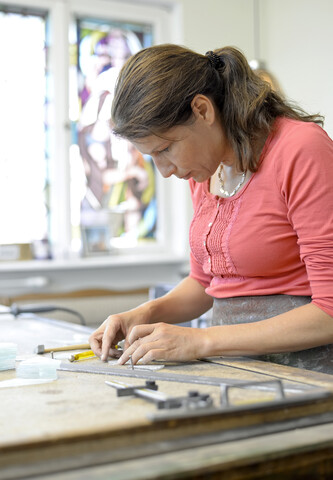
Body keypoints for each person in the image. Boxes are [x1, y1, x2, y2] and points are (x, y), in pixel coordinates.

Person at [89, 44, 333, 373]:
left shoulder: (301, 149)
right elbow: (205, 283)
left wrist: (201, 341)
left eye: (165, 149)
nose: (164, 170)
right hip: (237, 368)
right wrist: (144, 313)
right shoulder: (206, 170)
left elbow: (329, 311)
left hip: (310, 375)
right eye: (152, 158)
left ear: (202, 110)